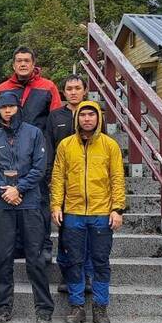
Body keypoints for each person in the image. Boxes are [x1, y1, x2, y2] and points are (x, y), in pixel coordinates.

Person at [50, 101, 126, 323]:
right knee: (74, 261)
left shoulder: (109, 145)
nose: (87, 119)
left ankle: (100, 307)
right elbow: (58, 177)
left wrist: (117, 208)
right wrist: (56, 205)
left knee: (101, 261)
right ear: (77, 119)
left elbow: (117, 178)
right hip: (73, 212)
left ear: (98, 119)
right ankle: (77, 305)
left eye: (91, 115)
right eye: (83, 115)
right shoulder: (65, 145)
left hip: (102, 212)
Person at [0, 91, 53, 323]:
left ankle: (44, 310)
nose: (7, 111)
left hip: (30, 203)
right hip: (4, 205)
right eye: (3, 107)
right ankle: (2, 307)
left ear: (18, 108)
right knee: (4, 258)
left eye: (11, 107)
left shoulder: (34, 134)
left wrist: (19, 189)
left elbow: (40, 167)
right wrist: (4, 190)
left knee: (35, 258)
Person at [0, 46, 61, 262]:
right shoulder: (3, 88)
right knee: (11, 198)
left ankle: (44, 245)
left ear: (34, 64)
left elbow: (56, 121)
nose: (22, 64)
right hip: (9, 151)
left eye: (26, 60)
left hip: (39, 150)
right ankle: (19, 245)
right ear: (13, 65)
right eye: (19, 61)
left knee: (39, 199)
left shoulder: (48, 86)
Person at [44, 74, 93, 294]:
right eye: (69, 89)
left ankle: (88, 276)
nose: (73, 92)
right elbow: (49, 150)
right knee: (65, 232)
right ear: (63, 92)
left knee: (90, 234)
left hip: (91, 184)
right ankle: (67, 275)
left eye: (77, 88)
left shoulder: (93, 115)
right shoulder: (55, 117)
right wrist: (48, 179)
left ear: (85, 90)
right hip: (63, 183)